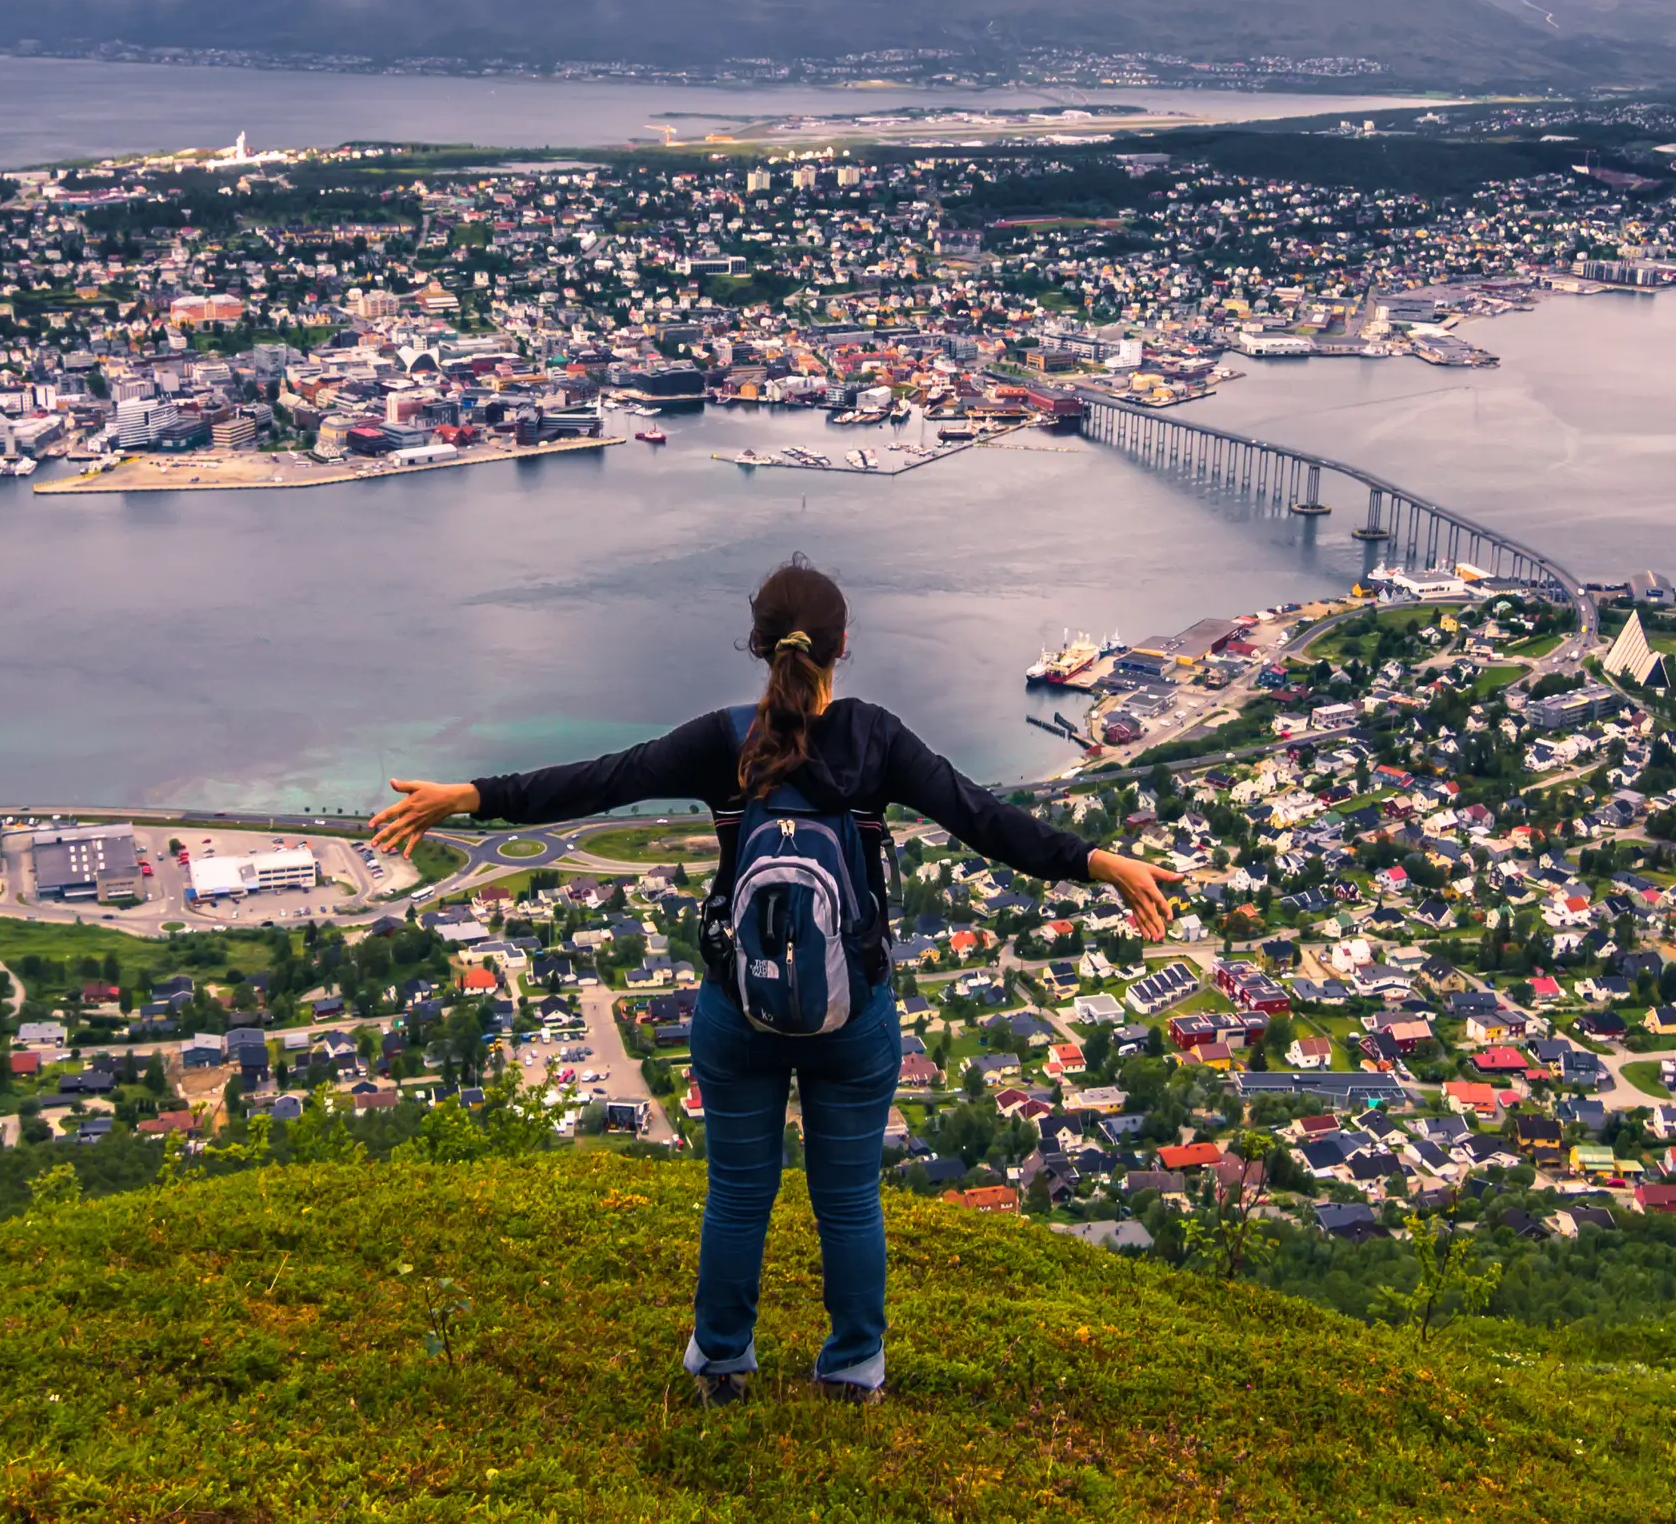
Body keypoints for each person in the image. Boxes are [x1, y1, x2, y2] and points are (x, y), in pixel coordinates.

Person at [370, 556, 1177, 1405]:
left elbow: (601, 780)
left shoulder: (723, 741)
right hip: (852, 1012)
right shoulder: (875, 739)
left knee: (738, 1196)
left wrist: (468, 796)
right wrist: (1096, 861)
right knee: (850, 1202)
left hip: (737, 1005)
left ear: (758, 646)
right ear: (843, 645)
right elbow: (984, 819)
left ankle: (722, 1363)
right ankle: (853, 1369)